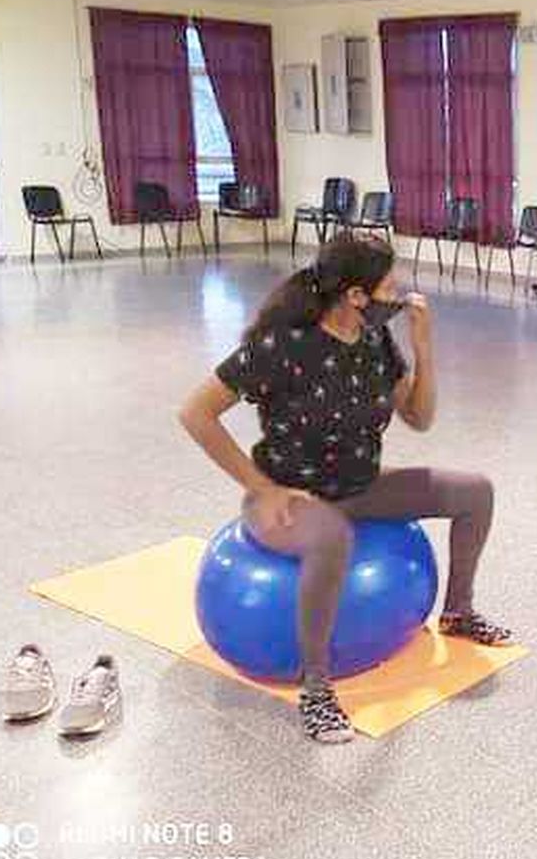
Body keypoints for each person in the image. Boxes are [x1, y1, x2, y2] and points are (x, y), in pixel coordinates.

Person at [178, 234, 510, 744]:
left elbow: (419, 417)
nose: (398, 294)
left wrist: (423, 347)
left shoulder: (375, 341)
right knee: (332, 536)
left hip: (359, 485)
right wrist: (262, 489)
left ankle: (459, 611)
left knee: (475, 492)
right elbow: (195, 413)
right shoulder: (282, 344)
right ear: (356, 295)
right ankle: (316, 688)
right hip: (288, 499)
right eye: (389, 284)